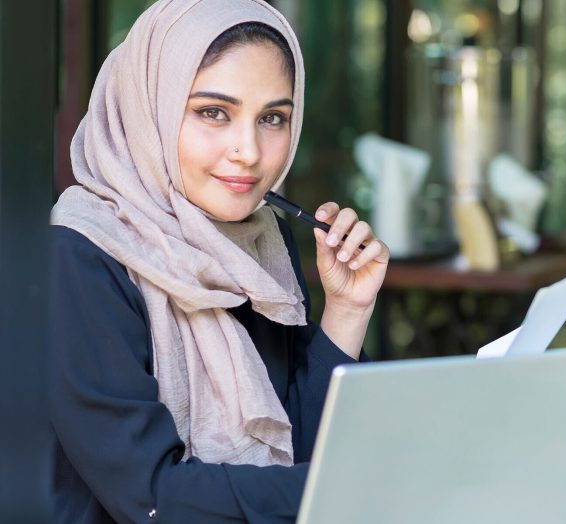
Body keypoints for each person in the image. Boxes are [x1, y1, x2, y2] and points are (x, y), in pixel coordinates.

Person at [48, 1, 389, 522]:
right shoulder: (80, 257)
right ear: (150, 109)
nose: (248, 151)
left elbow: (292, 443)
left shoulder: (256, 242)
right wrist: (356, 487)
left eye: (273, 118)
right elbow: (151, 494)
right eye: (213, 113)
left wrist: (347, 308)